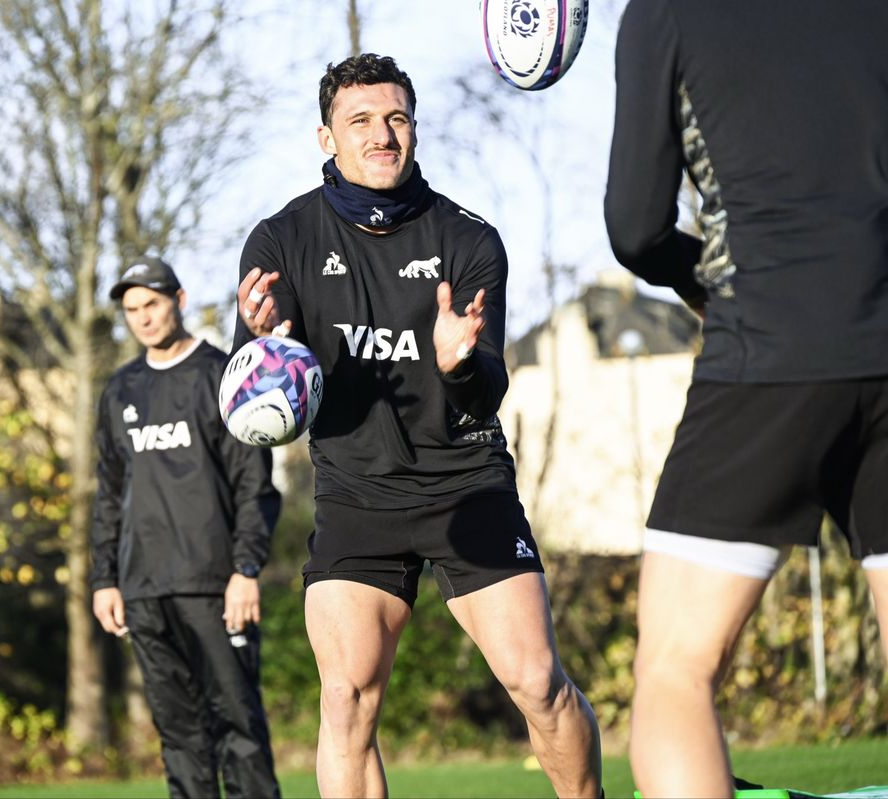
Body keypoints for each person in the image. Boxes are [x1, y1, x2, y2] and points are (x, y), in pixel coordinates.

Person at [233, 53, 602, 798]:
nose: (382, 135)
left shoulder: (469, 239)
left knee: (537, 682)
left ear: (413, 127)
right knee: (345, 698)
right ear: (325, 136)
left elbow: (486, 392)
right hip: (356, 493)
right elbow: (267, 393)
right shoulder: (280, 241)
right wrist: (261, 342)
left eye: (396, 118)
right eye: (360, 121)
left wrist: (460, 363)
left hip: (464, 483)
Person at [604, 1, 888, 795]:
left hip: (768, 352)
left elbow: (634, 226)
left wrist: (703, 281)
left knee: (674, 671)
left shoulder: (665, 13)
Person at [90, 256, 282, 799]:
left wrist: (246, 569)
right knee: (178, 737)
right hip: (144, 590)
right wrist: (104, 578)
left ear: (178, 299)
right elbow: (108, 492)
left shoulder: (224, 375)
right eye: (132, 310)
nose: (143, 318)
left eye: (151, 303)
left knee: (239, 730)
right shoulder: (120, 390)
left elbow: (255, 486)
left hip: (214, 586)